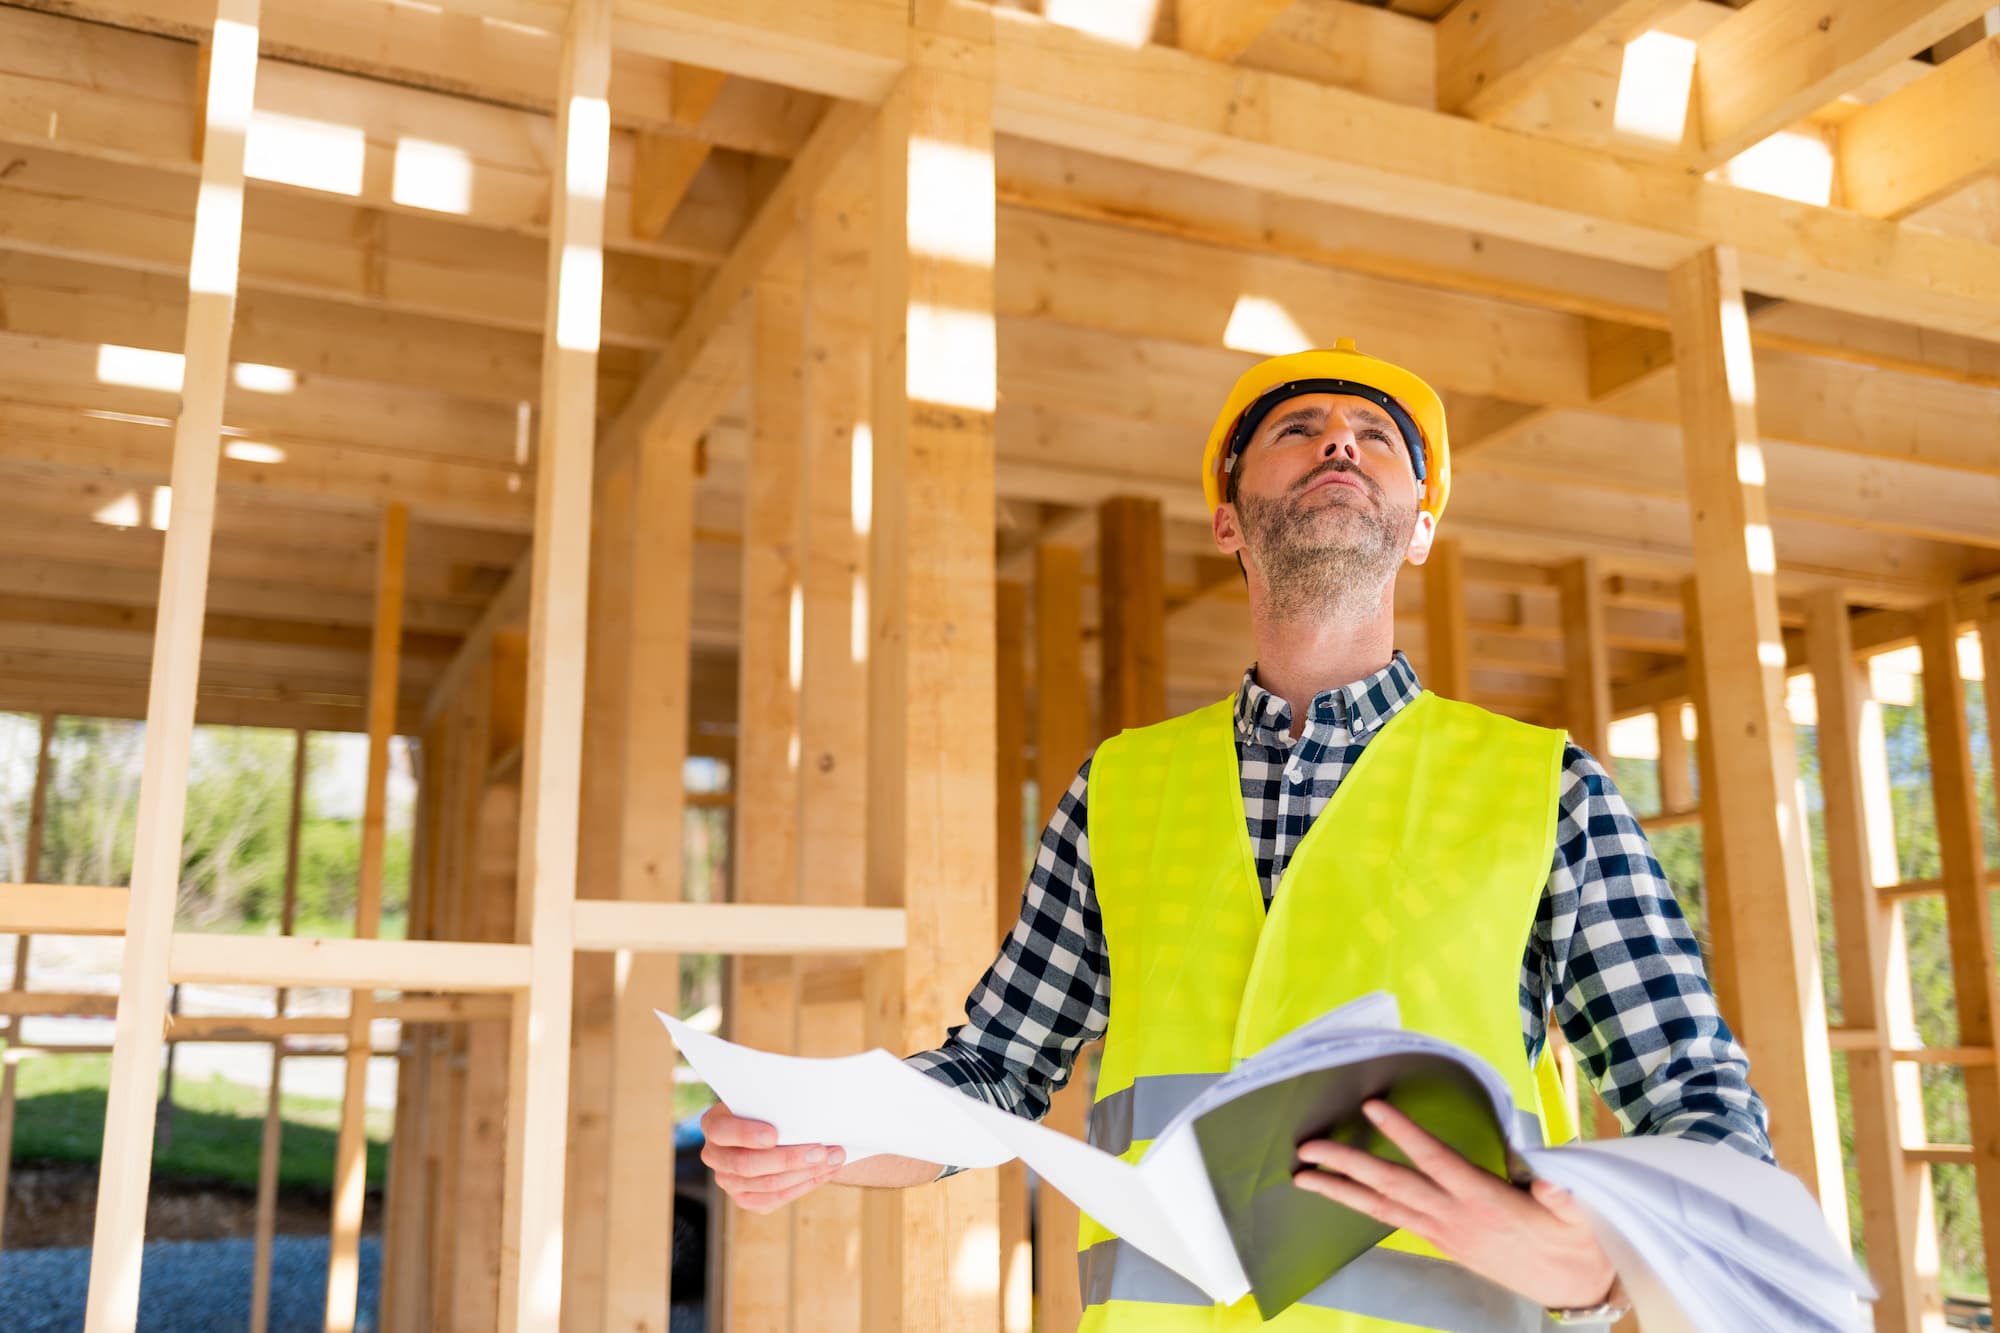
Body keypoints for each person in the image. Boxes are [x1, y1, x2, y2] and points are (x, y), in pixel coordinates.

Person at [701, 340, 1771, 1329]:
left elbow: (1702, 1110)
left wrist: (1593, 1269)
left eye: (1375, 436)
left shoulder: (1546, 791)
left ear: (1421, 526)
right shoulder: (1117, 790)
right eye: (1296, 428)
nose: (1338, 440)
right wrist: (835, 1132)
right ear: (1227, 519)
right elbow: (995, 1071)